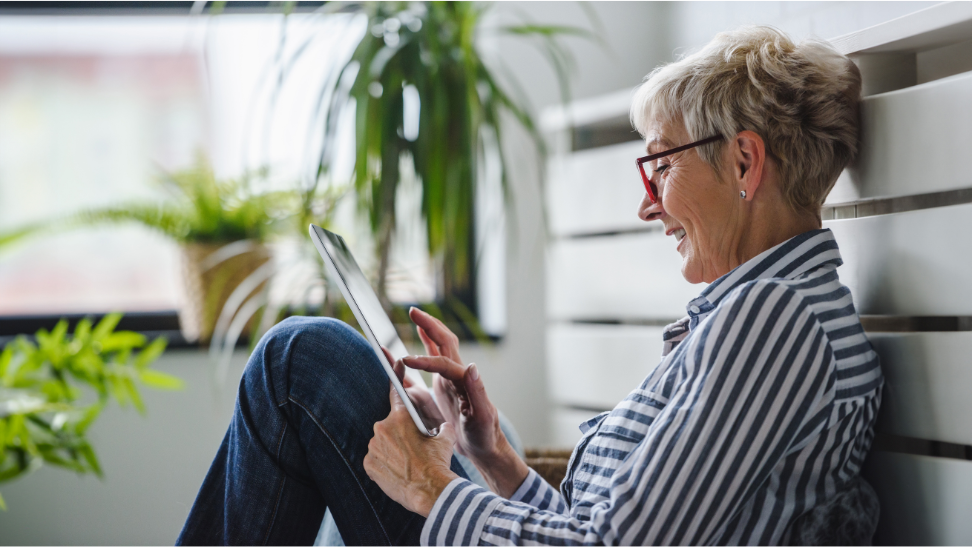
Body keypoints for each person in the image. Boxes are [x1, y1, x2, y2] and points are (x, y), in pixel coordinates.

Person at [178, 26, 882, 546]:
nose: (647, 205)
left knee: (301, 361)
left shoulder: (774, 321)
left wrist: (431, 486)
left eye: (659, 167)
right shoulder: (766, 314)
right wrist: (493, 458)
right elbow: (610, 527)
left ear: (744, 163)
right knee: (365, 386)